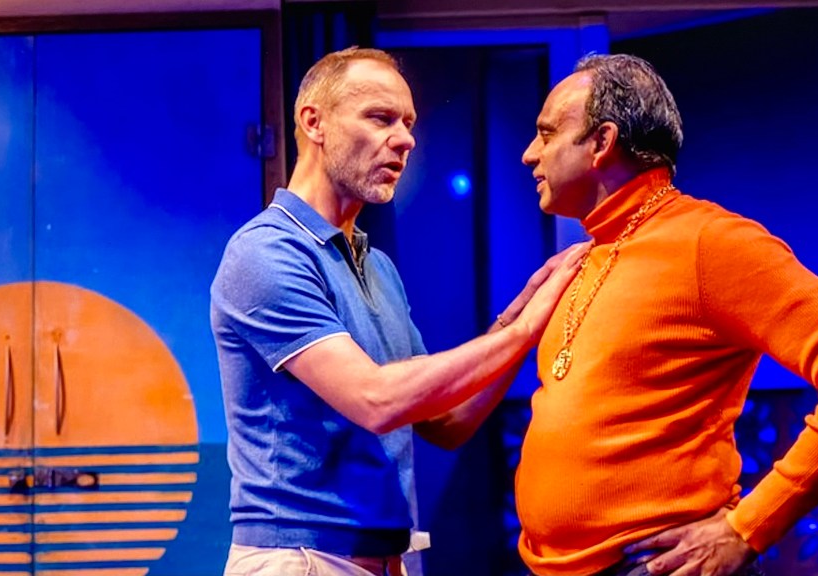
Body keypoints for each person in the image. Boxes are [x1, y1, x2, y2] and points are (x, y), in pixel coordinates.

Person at [515, 53, 818, 576]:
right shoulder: (584, 258)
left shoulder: (711, 243)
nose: (530, 154)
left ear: (602, 141)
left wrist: (748, 526)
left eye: (547, 134)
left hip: (658, 564)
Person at [210, 47, 585, 576]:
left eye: (408, 123)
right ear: (314, 123)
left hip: (389, 558)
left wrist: (521, 317)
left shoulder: (377, 265)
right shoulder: (266, 252)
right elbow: (376, 399)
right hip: (300, 559)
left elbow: (446, 421)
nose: (405, 139)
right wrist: (522, 330)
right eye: (380, 118)